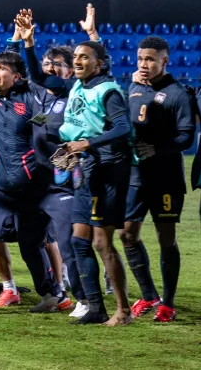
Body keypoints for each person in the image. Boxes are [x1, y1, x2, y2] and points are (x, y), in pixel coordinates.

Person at [0, 50, 72, 313]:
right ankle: (10, 290)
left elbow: (46, 114)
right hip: (0, 187)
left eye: (2, 69)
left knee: (33, 244)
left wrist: (27, 43)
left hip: (31, 187)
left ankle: (56, 293)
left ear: (16, 76)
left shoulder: (31, 98)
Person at [10, 10, 87, 315]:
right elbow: (12, 68)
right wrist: (22, 41)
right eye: (47, 64)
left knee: (69, 242)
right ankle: (51, 293)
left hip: (63, 181)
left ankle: (84, 297)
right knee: (28, 240)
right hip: (34, 182)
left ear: (71, 71)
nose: (51, 69)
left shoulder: (75, 94)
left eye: (58, 65)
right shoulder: (36, 97)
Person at [58, 38, 133, 325]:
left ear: (99, 63)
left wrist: (88, 142)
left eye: (84, 57)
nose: (77, 61)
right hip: (87, 170)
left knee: (102, 243)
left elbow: (124, 127)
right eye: (75, 56)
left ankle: (124, 311)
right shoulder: (79, 84)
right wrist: (27, 44)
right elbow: (40, 77)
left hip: (108, 170)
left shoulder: (108, 90)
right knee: (79, 240)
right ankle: (95, 308)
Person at [120, 36, 193, 323]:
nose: (144, 64)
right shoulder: (134, 87)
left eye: (150, 59)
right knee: (127, 235)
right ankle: (149, 295)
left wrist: (157, 149)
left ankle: (169, 303)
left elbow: (186, 136)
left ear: (165, 60)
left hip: (166, 179)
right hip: (136, 177)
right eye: (140, 59)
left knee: (166, 239)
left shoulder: (178, 94)